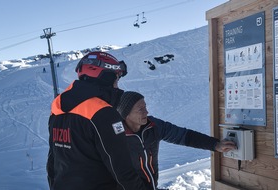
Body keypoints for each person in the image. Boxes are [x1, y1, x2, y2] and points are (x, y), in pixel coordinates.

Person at [46, 52, 150, 190]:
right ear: (106, 77)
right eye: (116, 79)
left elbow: (52, 160)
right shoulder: (103, 113)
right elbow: (121, 168)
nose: (117, 86)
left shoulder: (57, 109)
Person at [116, 91, 237, 190]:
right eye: (140, 109)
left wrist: (215, 145)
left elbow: (184, 136)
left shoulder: (153, 126)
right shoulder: (115, 136)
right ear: (126, 114)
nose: (146, 112)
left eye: (145, 107)